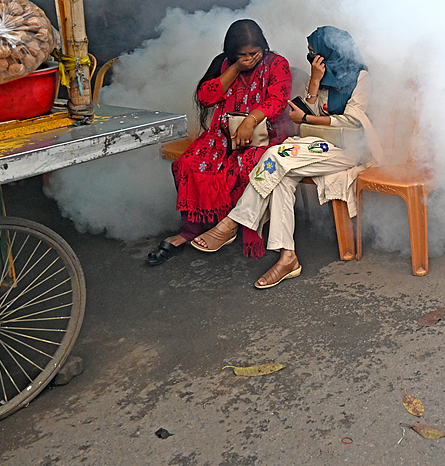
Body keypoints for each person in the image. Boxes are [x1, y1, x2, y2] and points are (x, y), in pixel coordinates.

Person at [190, 26, 383, 289]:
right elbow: (309, 109)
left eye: (314, 54)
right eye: (310, 54)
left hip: (351, 149)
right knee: (280, 178)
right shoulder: (323, 75)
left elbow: (351, 122)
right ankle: (287, 257)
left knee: (275, 154)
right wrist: (314, 83)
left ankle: (234, 221)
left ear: (330, 52)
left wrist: (306, 118)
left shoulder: (360, 77)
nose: (311, 59)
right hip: (316, 146)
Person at [146, 19, 293, 266]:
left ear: (263, 48)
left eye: (254, 53)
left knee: (242, 167)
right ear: (232, 54)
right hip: (221, 135)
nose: (249, 59)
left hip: (264, 137)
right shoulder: (226, 65)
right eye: (242, 55)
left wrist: (250, 121)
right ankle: (190, 230)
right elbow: (205, 98)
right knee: (190, 163)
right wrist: (234, 68)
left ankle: (230, 227)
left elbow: (277, 101)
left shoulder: (277, 64)